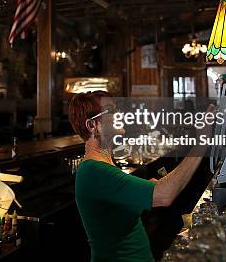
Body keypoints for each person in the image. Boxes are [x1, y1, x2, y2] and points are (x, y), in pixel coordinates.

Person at [69, 91, 210, 262]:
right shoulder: (94, 171)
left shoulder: (104, 165)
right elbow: (164, 195)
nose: (120, 114)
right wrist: (202, 142)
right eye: (111, 110)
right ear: (92, 125)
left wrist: (146, 187)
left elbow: (120, 201)